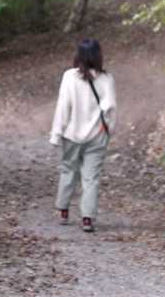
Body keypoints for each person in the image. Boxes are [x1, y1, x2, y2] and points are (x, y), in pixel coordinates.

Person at [49, 38, 117, 233]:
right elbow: (110, 107)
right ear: (98, 56)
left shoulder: (69, 76)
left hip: (71, 134)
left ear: (78, 55)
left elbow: (63, 107)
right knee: (91, 177)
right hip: (97, 135)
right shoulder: (106, 79)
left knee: (68, 170)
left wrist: (56, 133)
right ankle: (87, 218)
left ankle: (63, 210)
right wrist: (109, 130)